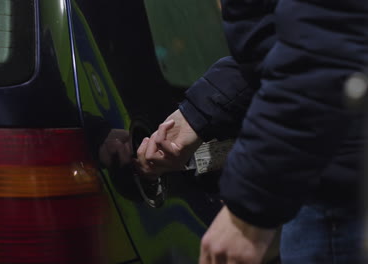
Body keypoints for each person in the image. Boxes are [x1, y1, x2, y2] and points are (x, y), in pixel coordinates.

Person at [135, 0, 368, 263]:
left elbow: (322, 55)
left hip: (340, 191)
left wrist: (247, 211)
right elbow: (286, 45)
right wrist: (196, 113)